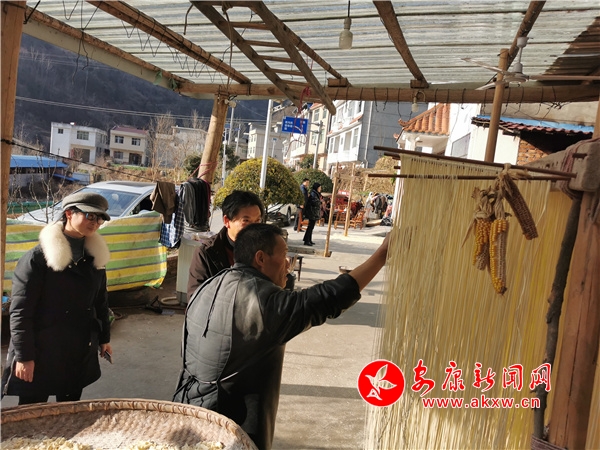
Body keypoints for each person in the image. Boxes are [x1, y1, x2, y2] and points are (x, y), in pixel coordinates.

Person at [173, 223, 389, 449]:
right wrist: (382, 254)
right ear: (261, 258)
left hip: (190, 411)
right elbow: (327, 298)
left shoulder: (211, 283)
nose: (288, 263)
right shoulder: (262, 302)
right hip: (229, 429)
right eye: (284, 254)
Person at [1, 192, 113, 405]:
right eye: (90, 216)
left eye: (100, 219)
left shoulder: (96, 258)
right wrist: (25, 356)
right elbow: (21, 312)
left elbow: (100, 300)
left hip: (78, 347)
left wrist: (104, 338)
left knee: (69, 411)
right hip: (41, 349)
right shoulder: (36, 259)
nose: (95, 223)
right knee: (34, 413)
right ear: (69, 213)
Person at [187, 190, 264, 301]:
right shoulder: (206, 254)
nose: (254, 228)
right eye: (246, 221)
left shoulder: (266, 249)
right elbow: (195, 299)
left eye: (257, 221)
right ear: (227, 221)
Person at [302, 182, 322, 246]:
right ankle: (307, 241)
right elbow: (314, 202)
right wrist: (320, 202)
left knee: (311, 227)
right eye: (319, 187)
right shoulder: (313, 194)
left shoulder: (316, 194)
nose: (320, 189)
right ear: (317, 188)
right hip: (312, 213)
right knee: (310, 227)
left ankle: (308, 239)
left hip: (313, 213)